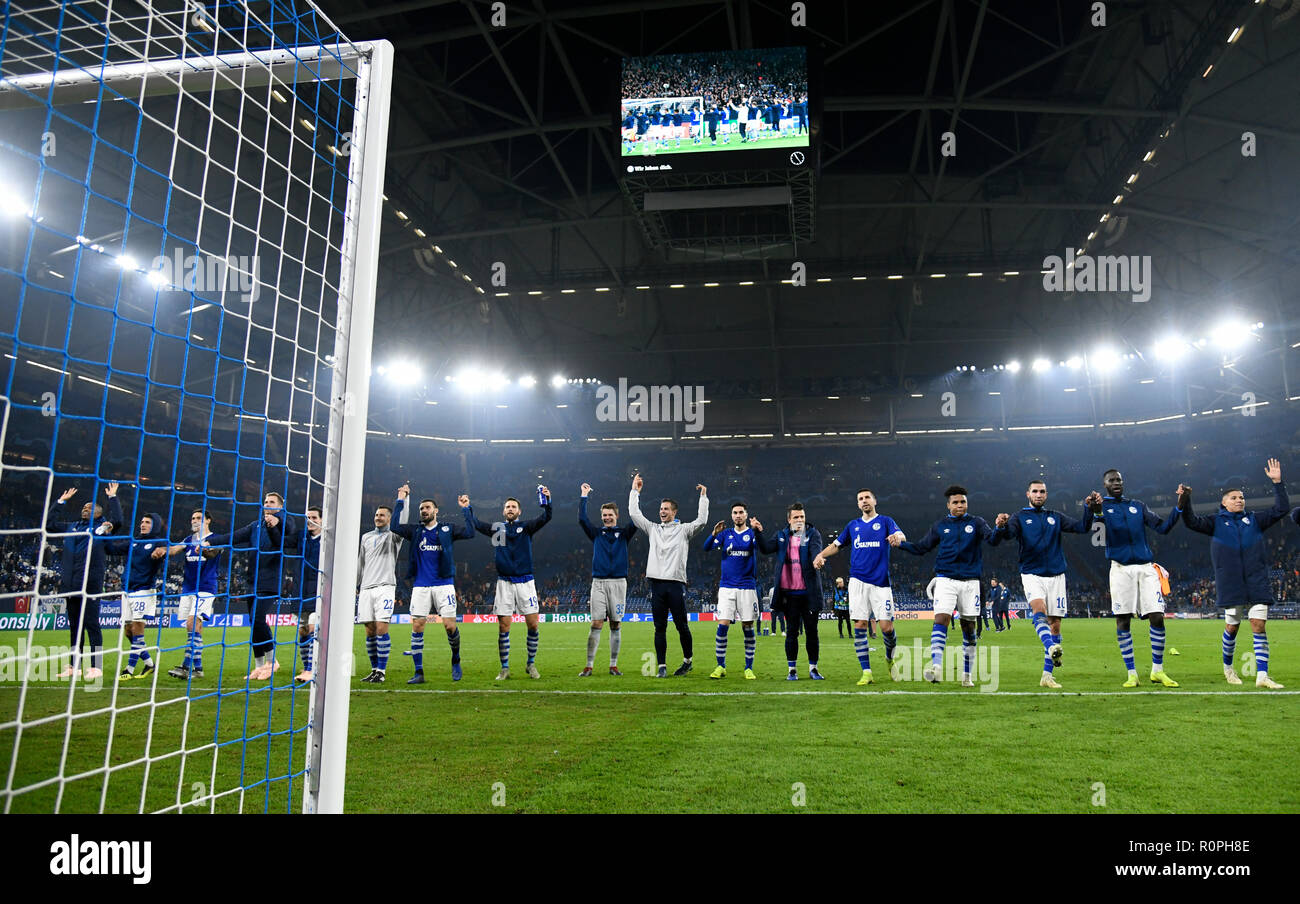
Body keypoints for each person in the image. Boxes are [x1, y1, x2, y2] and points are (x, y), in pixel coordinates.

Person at [1181, 460, 1289, 689]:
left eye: (1241, 497)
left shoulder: (1255, 520)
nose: (1239, 500)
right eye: (1234, 497)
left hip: (1256, 579)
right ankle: (1228, 669)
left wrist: (1277, 483)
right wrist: (1185, 500)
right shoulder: (1215, 522)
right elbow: (1190, 522)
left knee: (1259, 625)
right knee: (1232, 627)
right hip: (1230, 582)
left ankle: (1262, 675)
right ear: (1224, 502)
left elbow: (1281, 510)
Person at [991, 481, 1099, 688]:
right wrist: (1001, 526)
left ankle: (1046, 676)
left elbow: (1082, 527)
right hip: (1032, 574)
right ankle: (1051, 646)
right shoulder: (1019, 517)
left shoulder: (1055, 517)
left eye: (1042, 492)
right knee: (1038, 609)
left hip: (1057, 575)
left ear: (1046, 495)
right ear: (1028, 494)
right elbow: (1007, 535)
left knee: (1055, 624)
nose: (1038, 495)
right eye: (1035, 491)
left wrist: (1089, 509)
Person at [1086, 469, 1180, 688]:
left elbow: (1163, 528)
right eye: (1112, 480)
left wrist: (1180, 507)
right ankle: (1132, 673)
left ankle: (1157, 671)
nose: (1116, 482)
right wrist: (1098, 513)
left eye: (1119, 479)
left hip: (1146, 568)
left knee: (1157, 616)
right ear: (1105, 485)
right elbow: (1097, 539)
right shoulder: (1101, 507)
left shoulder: (1138, 506)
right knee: (1123, 619)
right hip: (1120, 569)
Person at [895, 485, 995, 686]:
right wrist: (901, 544)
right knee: (941, 618)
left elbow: (992, 539)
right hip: (945, 580)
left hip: (970, 582)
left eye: (963, 502)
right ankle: (937, 666)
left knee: (969, 627)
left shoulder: (977, 523)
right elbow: (922, 547)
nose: (960, 505)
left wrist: (1000, 527)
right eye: (956, 502)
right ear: (948, 505)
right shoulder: (940, 526)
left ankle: (967, 676)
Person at [813, 490, 906, 685]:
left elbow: (900, 534)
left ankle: (889, 659)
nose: (864, 501)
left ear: (875, 500)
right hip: (857, 582)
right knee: (860, 625)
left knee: (886, 628)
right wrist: (821, 555)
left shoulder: (886, 521)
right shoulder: (852, 526)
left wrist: (898, 538)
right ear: (858, 504)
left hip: (880, 582)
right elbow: (837, 545)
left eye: (867, 498)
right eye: (860, 499)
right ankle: (866, 672)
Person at [462, 486, 552, 680]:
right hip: (504, 582)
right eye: (507, 507)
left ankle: (531, 664)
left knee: (533, 625)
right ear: (503, 511)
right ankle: (504, 668)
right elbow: (476, 524)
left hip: (526, 581)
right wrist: (467, 509)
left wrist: (548, 503)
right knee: (504, 627)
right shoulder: (498, 529)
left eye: (513, 507)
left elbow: (545, 518)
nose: (510, 509)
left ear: (519, 511)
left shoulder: (526, 527)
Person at [205, 491, 297, 681]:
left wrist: (277, 521)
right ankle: (258, 666)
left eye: (272, 502)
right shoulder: (255, 526)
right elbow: (232, 536)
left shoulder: (284, 521)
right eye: (265, 502)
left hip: (270, 579)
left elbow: (289, 527)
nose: (267, 504)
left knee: (258, 618)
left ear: (280, 506)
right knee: (254, 624)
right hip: (252, 580)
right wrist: (208, 541)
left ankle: (272, 662)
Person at [627, 473, 708, 678]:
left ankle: (687, 661)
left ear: (674, 512)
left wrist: (703, 498)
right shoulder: (653, 529)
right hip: (657, 585)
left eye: (666, 509)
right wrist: (635, 491)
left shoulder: (684, 530)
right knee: (659, 627)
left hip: (675, 585)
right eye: (661, 509)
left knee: (682, 626)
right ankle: (661, 666)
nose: (662, 512)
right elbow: (635, 515)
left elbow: (702, 521)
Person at [391, 485, 473, 683]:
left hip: (444, 584)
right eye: (421, 509)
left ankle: (455, 659)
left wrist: (466, 509)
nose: (424, 511)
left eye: (427, 508)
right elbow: (394, 526)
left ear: (436, 511)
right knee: (417, 625)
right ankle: (419, 672)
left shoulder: (447, 529)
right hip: (421, 585)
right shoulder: (415, 531)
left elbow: (470, 532)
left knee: (449, 626)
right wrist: (400, 500)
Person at [46, 482, 123, 680]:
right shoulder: (72, 527)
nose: (85, 509)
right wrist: (60, 502)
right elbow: (49, 525)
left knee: (91, 623)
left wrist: (113, 498)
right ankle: (74, 665)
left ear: (98, 513)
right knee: (74, 625)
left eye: (89, 508)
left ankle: (96, 666)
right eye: (83, 507)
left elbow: (118, 521)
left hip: (90, 584)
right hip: (70, 584)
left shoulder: (102, 528)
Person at [755, 502, 826, 680]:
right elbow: (765, 549)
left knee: (812, 632)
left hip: (809, 593)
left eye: (802, 516)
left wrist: (818, 558)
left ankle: (813, 668)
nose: (800, 520)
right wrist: (757, 532)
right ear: (789, 519)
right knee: (792, 632)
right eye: (796, 517)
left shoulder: (812, 534)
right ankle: (792, 669)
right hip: (789, 595)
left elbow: (815, 550)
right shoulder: (782, 535)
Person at [577, 483, 638, 677]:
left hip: (619, 584)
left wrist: (635, 492)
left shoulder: (624, 534)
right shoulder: (596, 534)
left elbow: (636, 518)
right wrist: (584, 496)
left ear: (616, 516)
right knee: (596, 623)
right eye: (604, 515)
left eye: (610, 514)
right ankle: (588, 665)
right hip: (599, 583)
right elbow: (582, 519)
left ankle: (613, 665)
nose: (607, 517)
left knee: (615, 624)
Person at [104, 509, 168, 681]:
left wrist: (162, 551)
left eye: (147, 522)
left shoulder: (158, 541)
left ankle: (129, 669)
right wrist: (109, 533)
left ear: (154, 525)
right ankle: (149, 663)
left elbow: (166, 549)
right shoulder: (134, 541)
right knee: (128, 632)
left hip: (144, 590)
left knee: (137, 628)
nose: (143, 524)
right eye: (141, 522)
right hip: (128, 590)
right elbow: (111, 550)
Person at [701, 501, 760, 680]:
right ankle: (720, 666)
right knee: (722, 625)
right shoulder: (725, 534)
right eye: (735, 513)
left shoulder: (752, 534)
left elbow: (763, 548)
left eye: (741, 512)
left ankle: (748, 668)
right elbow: (706, 548)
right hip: (726, 587)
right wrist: (713, 533)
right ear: (732, 515)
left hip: (747, 586)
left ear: (746, 514)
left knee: (747, 626)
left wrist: (758, 531)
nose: (738, 515)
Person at [164, 510, 221, 680]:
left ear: (208, 521)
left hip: (205, 587)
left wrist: (203, 549)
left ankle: (185, 667)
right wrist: (160, 549)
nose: (195, 520)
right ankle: (198, 669)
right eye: (193, 518)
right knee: (195, 628)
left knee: (191, 623)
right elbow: (174, 550)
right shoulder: (189, 540)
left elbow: (212, 553)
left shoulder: (215, 538)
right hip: (188, 589)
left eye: (198, 518)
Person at [354, 501, 406, 683]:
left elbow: (402, 521)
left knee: (382, 628)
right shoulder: (366, 537)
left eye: (382, 515)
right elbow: (360, 562)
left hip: (385, 586)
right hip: (366, 588)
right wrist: (356, 584)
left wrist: (403, 500)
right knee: (369, 630)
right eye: (376, 515)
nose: (378, 517)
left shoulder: (394, 536)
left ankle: (382, 671)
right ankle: (374, 669)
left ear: (390, 519)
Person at [292, 506, 322, 683]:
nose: (310, 520)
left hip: (318, 592)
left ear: (322, 520)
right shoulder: (301, 537)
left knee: (312, 626)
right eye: (308, 517)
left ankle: (312, 669)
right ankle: (306, 667)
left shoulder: (327, 539)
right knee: (303, 630)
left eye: (314, 518)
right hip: (301, 590)